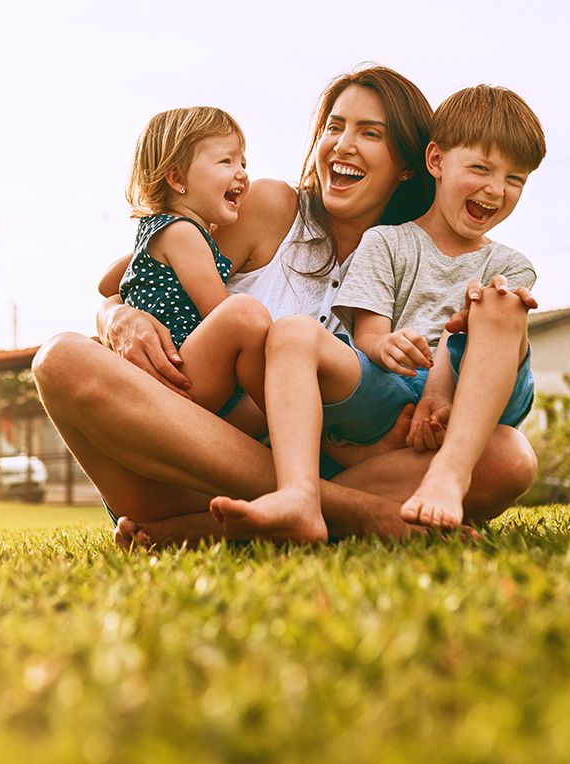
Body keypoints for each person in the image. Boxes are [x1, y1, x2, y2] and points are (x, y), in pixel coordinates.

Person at [33, 67, 538, 547]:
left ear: (409, 165)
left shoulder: (420, 259)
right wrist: (119, 317)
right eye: (334, 126)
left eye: (369, 133)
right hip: (181, 462)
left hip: (341, 468)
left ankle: (230, 522)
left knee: (508, 457)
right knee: (60, 358)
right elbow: (147, 267)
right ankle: (348, 512)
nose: (342, 144)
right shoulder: (270, 208)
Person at [213, 84, 544, 540]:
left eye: (514, 180)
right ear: (435, 163)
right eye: (481, 169)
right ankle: (298, 496)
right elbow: (368, 333)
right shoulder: (386, 241)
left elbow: (473, 340)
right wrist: (385, 344)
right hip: (392, 390)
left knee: (499, 305)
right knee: (292, 332)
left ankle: (448, 475)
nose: (495, 189)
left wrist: (442, 391)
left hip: (474, 397)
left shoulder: (510, 265)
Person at [118, 105, 268, 432]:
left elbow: (108, 284)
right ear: (177, 178)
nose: (241, 172)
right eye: (226, 161)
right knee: (244, 313)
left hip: (178, 374)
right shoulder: (184, 233)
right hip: (182, 372)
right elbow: (220, 312)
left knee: (271, 424)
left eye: (243, 162)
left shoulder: (155, 230)